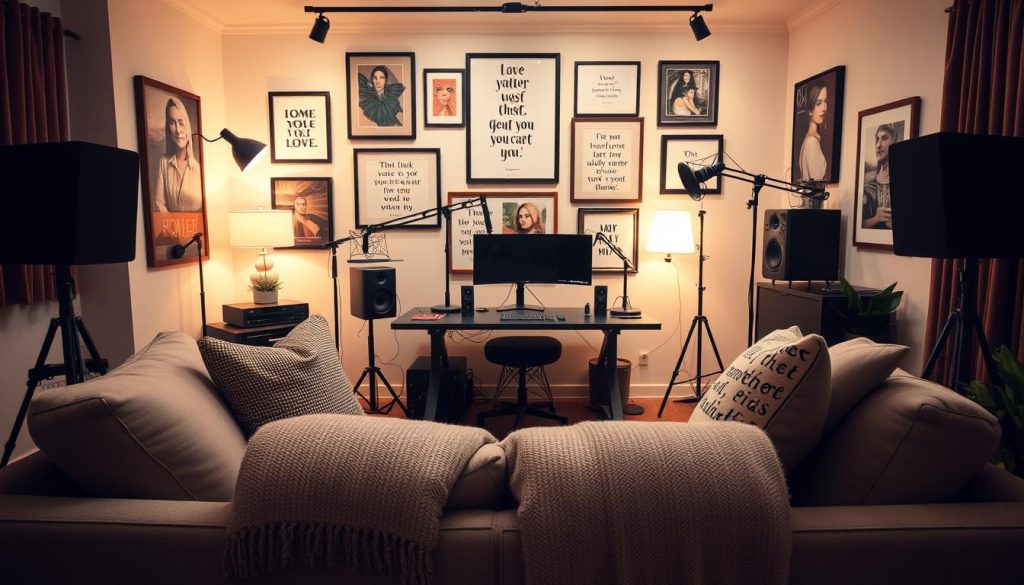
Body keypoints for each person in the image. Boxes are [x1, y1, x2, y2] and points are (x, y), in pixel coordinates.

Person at [154, 96, 203, 212]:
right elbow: (159, 202)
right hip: (169, 224)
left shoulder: (198, 166)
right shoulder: (164, 162)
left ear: (187, 126)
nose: (178, 130)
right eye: (172, 123)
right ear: (168, 128)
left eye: (181, 123)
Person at [862, 123, 899, 230]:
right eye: (877, 139)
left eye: (884, 138)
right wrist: (876, 218)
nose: (878, 145)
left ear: (894, 142)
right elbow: (860, 224)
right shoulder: (868, 186)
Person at [797, 84, 829, 182]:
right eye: (818, 103)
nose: (824, 108)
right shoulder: (811, 142)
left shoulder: (811, 139)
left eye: (825, 101)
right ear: (810, 110)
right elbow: (817, 185)